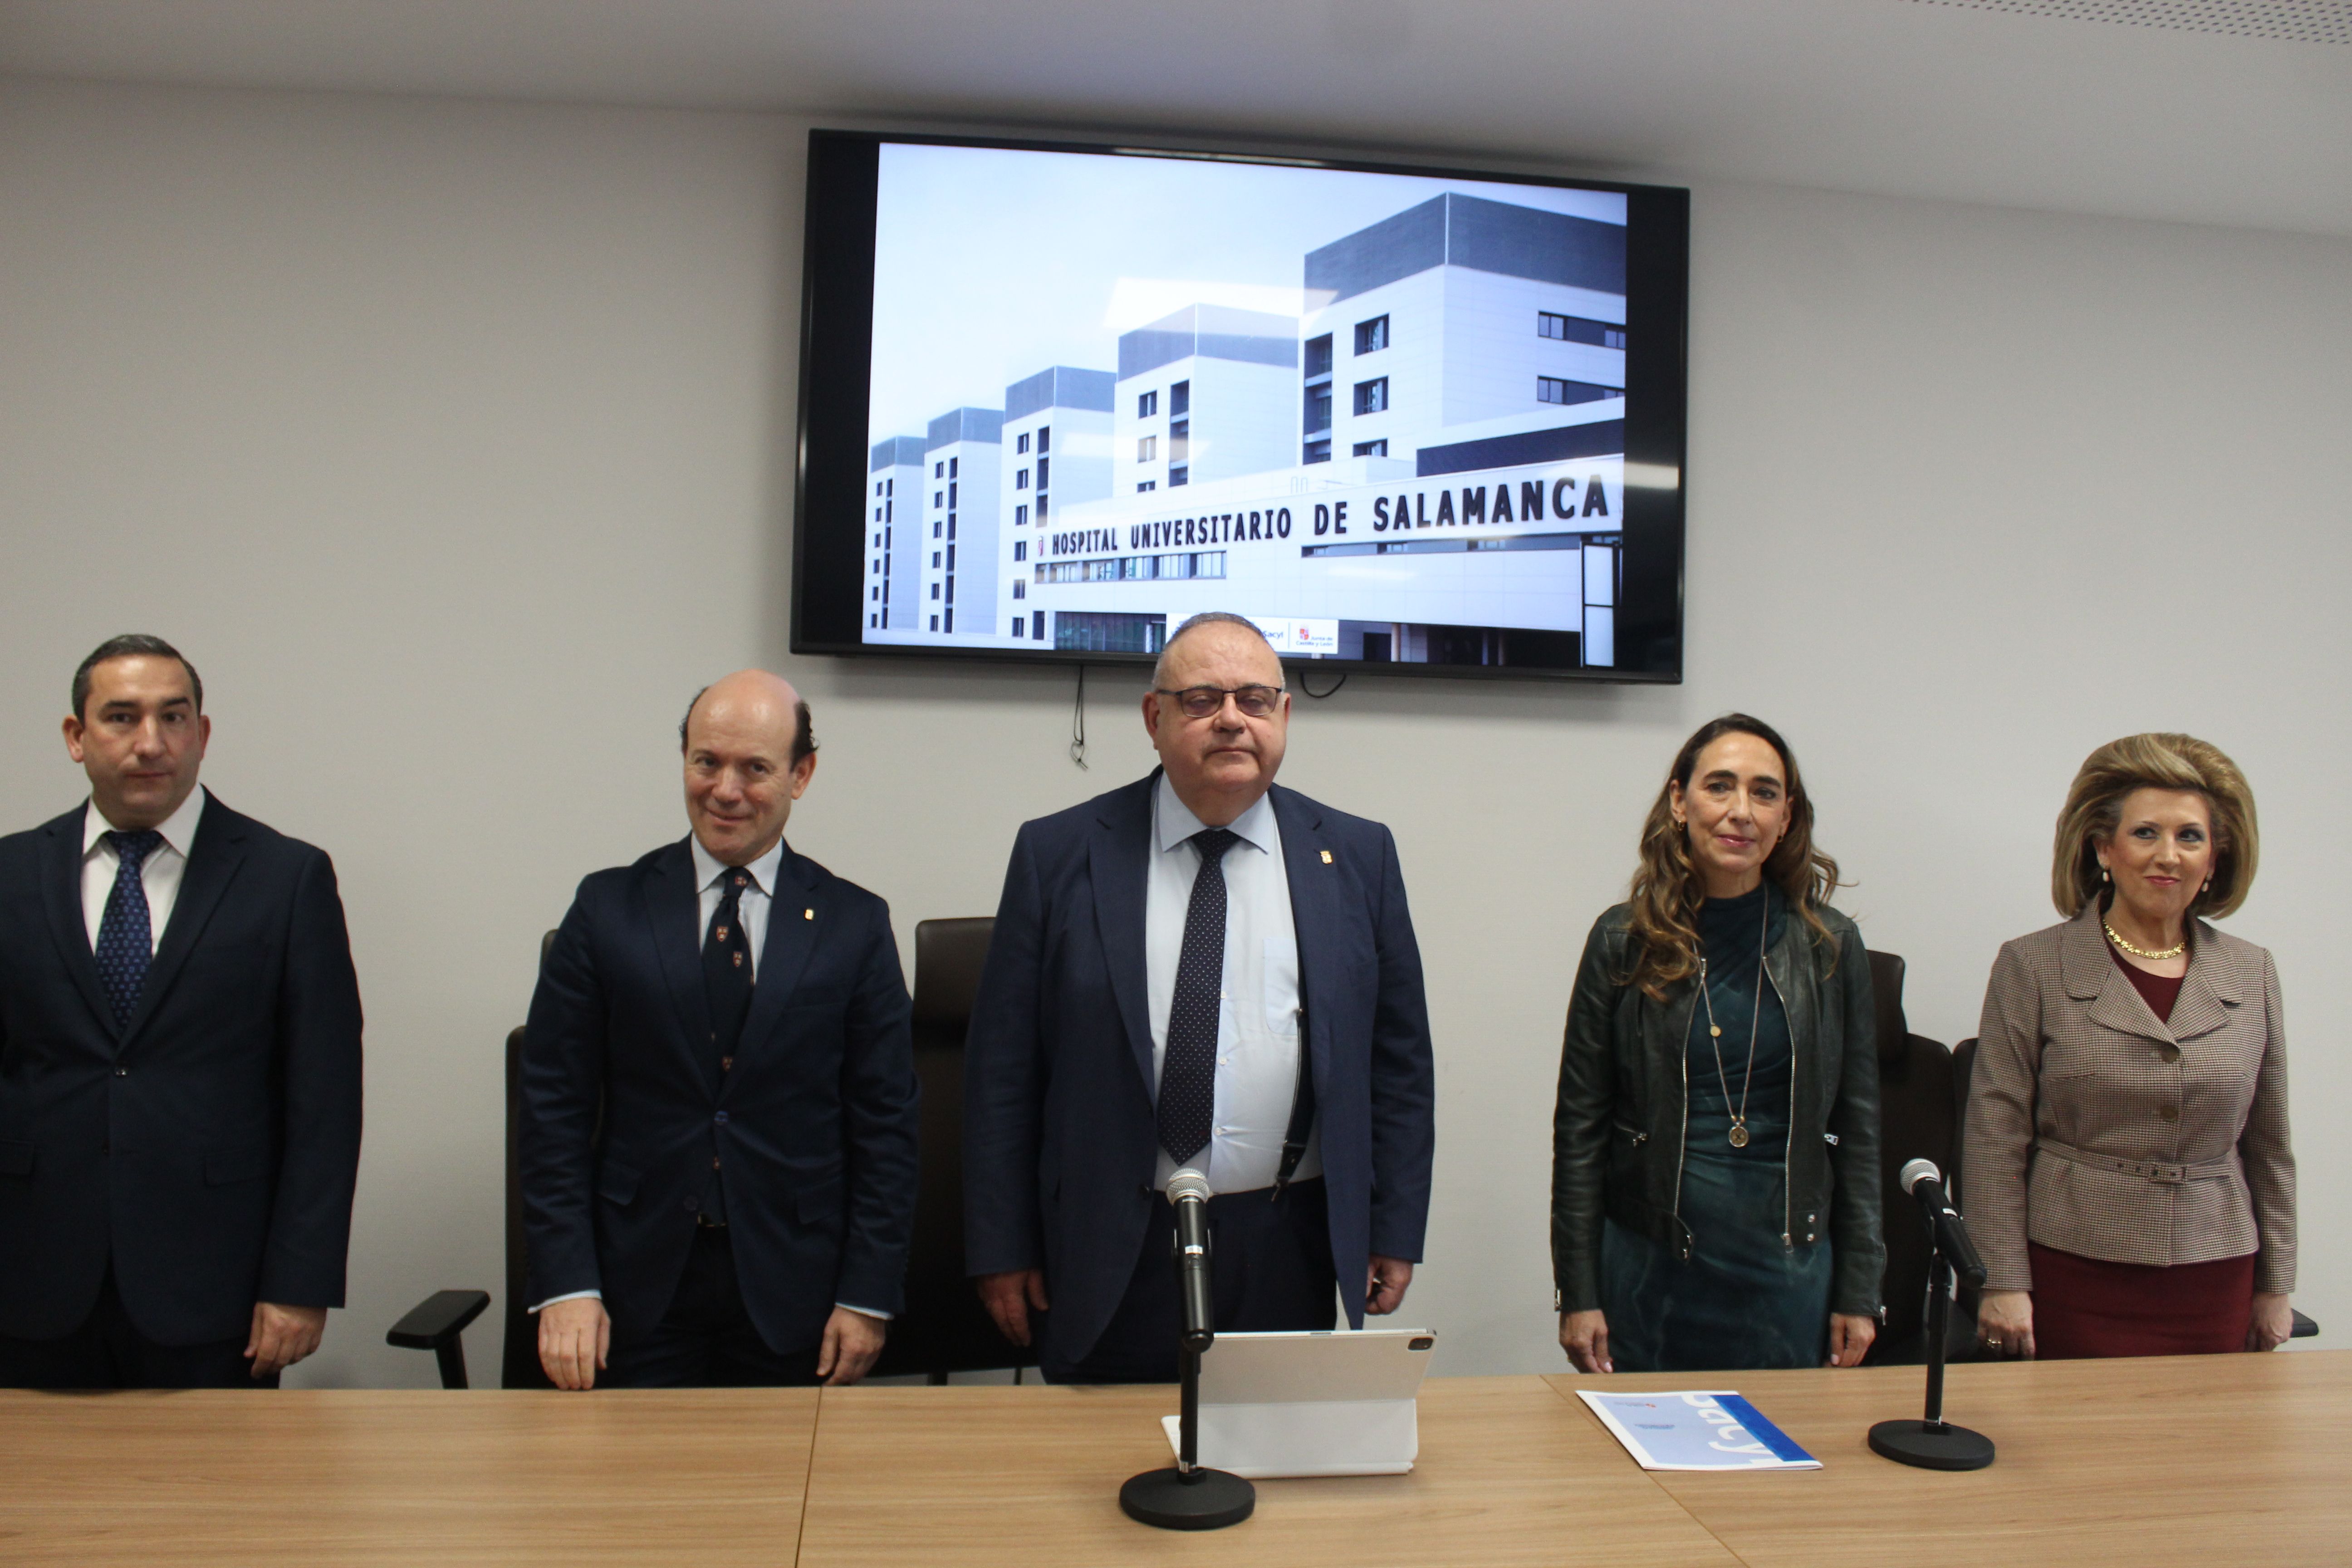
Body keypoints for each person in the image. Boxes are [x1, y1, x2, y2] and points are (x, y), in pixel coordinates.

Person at [964, 612, 1436, 1383]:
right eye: (1201, 699)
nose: (1231, 720)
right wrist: (1001, 1244)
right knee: (1097, 1478)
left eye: (1254, 699)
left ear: (1284, 716)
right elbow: (1003, 1076)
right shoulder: (1059, 854)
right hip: (1110, 1238)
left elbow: (1399, 1064)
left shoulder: (1356, 856)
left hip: (1289, 1240)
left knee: (1274, 1478)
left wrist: (1393, 1223)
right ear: (1155, 719)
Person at [519, 671, 919, 1389]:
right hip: (631, 1291)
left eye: (755, 768)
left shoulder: (854, 926)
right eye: (707, 762)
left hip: (798, 1295)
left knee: (780, 1497)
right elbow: (552, 1111)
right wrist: (567, 1285)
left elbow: (886, 1125)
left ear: (802, 775)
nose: (725, 790)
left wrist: (867, 1296)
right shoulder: (607, 909)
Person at [0, 635, 364, 1389]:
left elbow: (324, 1100)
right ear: (77, 737)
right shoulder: (10, 875)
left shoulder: (285, 878)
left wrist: (300, 1281)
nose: (150, 743)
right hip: (31, 1281)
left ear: (202, 733)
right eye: (122, 718)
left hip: (214, 1290)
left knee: (212, 1502)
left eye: (173, 717)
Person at [1553, 714, 1882, 1374]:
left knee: (1776, 1464)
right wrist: (1579, 1290)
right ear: (1680, 802)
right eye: (1720, 787)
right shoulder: (1622, 941)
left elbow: (1860, 1129)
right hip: (1649, 1269)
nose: (1741, 812)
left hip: (1786, 1271)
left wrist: (1862, 1287)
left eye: (1764, 793)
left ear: (1787, 816)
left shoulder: (1831, 946)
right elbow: (1581, 1131)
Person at [1967, 734, 2293, 1360]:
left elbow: (2270, 1146)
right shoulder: (2033, 965)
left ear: (2215, 858)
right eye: (2146, 834)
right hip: (2072, 1268)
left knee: (2206, 1450)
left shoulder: (2253, 973)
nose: (2167, 856)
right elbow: (1993, 1138)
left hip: (2216, 1270)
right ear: (2103, 849)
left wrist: (2277, 1283)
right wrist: (2001, 1279)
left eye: (2189, 837)